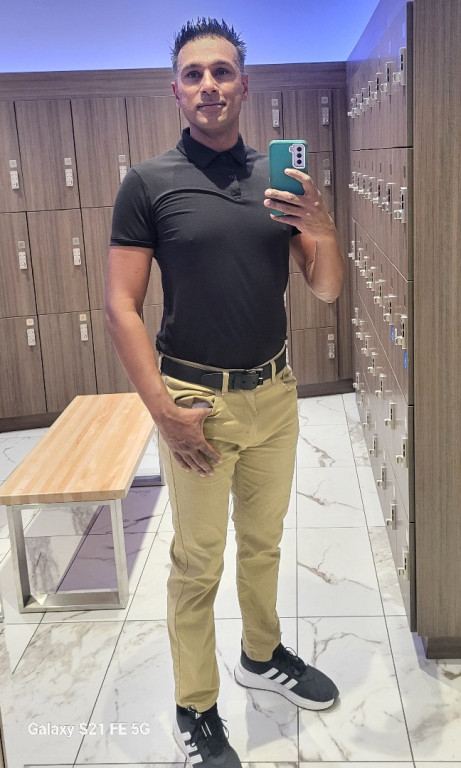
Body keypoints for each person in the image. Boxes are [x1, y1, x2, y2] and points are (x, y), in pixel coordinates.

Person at [106, 17, 344, 768]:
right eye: (193, 74)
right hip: (195, 403)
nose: (208, 85)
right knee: (198, 561)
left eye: (221, 71)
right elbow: (121, 305)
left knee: (264, 543)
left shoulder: (277, 182)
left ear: (245, 84)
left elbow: (327, 288)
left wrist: (321, 223)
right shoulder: (148, 183)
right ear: (176, 91)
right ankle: (196, 705)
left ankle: (261, 655)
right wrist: (164, 413)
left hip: (274, 392)